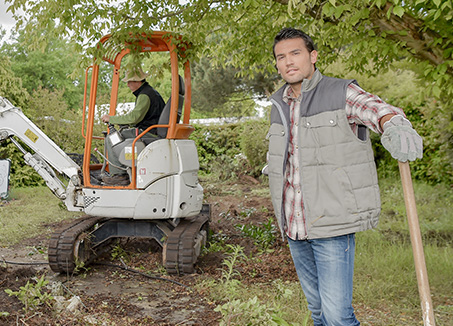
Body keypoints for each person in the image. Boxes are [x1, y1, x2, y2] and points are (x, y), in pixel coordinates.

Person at [266, 27, 423, 325]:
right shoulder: (278, 105)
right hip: (294, 225)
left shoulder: (340, 92)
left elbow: (378, 109)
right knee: (318, 313)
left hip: (332, 221)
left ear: (313, 56)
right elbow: (282, 153)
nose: (288, 62)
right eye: (281, 57)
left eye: (295, 53)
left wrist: (394, 125)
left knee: (338, 316)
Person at [101, 67, 165, 185]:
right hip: (153, 131)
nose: (128, 85)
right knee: (119, 134)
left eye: (130, 82)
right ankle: (124, 169)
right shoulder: (150, 92)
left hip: (148, 133)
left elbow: (134, 118)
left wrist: (111, 118)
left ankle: (119, 175)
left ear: (137, 81)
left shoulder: (145, 95)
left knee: (111, 138)